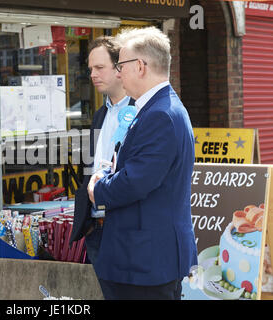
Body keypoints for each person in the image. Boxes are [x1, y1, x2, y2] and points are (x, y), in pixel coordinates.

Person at [87, 27, 198, 300]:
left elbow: (135, 181)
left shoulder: (160, 114)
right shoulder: (154, 108)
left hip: (147, 260)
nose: (118, 72)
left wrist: (97, 189)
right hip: (145, 257)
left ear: (140, 66)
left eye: (121, 65)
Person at [70, 36, 134, 265]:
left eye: (99, 67)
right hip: (95, 227)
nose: (92, 74)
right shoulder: (99, 114)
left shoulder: (143, 111)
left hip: (126, 228)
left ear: (120, 69)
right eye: (90, 69)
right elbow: (91, 166)